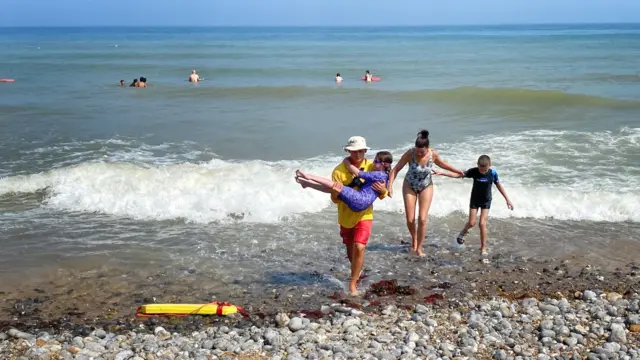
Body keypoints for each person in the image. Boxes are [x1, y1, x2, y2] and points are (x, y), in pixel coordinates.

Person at [387, 130, 464, 257]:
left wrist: (458, 171)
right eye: (417, 150)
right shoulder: (410, 153)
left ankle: (419, 248)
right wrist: (390, 186)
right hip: (409, 185)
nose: (419, 153)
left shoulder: (432, 154)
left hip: (426, 186)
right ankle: (414, 239)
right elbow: (396, 169)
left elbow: (443, 164)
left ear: (427, 148)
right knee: (410, 219)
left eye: (421, 151)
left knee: (422, 218)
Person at [327, 136, 388, 295]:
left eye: (361, 151)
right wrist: (335, 193)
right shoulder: (338, 171)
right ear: (348, 150)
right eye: (354, 151)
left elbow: (382, 191)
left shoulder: (372, 166)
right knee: (350, 251)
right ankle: (357, 273)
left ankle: (352, 284)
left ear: (365, 151)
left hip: (365, 215)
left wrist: (384, 191)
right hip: (346, 217)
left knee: (359, 247)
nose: (358, 154)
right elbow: (334, 199)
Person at [433, 154, 514, 256]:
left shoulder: (493, 173)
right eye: (480, 169)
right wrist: (442, 173)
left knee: (482, 224)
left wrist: (507, 199)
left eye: (484, 169)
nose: (482, 171)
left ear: (489, 165)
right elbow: (459, 175)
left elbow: (499, 186)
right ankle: (462, 233)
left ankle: (483, 248)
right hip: (475, 200)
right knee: (471, 223)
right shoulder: (474, 171)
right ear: (477, 165)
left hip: (486, 201)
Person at [295, 151, 392, 212]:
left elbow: (359, 174)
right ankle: (307, 184)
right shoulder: (385, 176)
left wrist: (347, 163)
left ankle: (309, 177)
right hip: (360, 205)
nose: (373, 163)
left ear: (383, 164)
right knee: (333, 188)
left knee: (335, 185)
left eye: (376, 161)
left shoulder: (378, 174)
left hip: (359, 199)